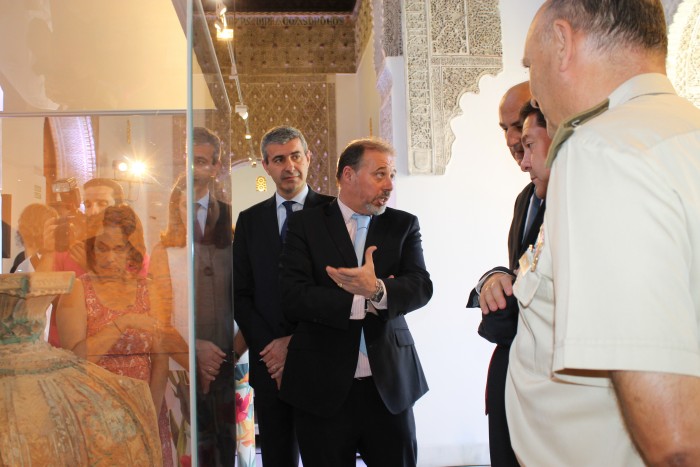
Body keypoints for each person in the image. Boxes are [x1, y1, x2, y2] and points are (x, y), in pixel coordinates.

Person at [506, 1, 700, 465]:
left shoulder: (601, 149)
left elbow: (672, 439)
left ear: (562, 42)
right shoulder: (683, 132)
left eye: (531, 66)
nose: (534, 93)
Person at [279, 138, 432, 467]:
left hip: (389, 387)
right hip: (322, 388)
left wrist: (377, 290)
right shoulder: (305, 225)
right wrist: (357, 300)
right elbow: (292, 295)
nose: (390, 184)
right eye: (380, 174)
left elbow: (420, 286)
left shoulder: (403, 225)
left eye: (391, 175)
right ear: (348, 175)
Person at [233, 125, 333, 466]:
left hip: (321, 359)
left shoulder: (334, 214)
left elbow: (336, 292)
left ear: (308, 158)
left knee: (325, 455)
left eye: (295, 156)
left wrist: (296, 342)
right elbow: (242, 295)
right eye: (279, 159)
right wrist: (271, 349)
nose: (289, 166)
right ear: (266, 166)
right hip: (268, 363)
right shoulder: (249, 221)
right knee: (276, 456)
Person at [56, 204, 174, 466]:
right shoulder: (76, 290)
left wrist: (151, 414)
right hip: (94, 413)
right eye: (102, 248)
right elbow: (74, 362)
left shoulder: (149, 289)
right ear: (91, 248)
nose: (109, 258)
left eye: (118, 248)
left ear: (131, 250)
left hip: (145, 405)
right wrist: (122, 323)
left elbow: (161, 358)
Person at [465, 82, 542, 467]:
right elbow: (519, 269)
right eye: (505, 130)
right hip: (512, 372)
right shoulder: (525, 199)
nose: (512, 140)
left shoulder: (574, 191)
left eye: (519, 127)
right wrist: (492, 278)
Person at [187, 126, 236, 466]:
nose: (195, 169)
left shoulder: (232, 217)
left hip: (221, 352)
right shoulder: (160, 212)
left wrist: (230, 350)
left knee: (220, 447)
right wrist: (189, 345)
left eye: (202, 161)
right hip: (177, 353)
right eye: (190, 160)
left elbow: (241, 288)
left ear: (216, 167)